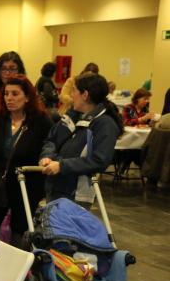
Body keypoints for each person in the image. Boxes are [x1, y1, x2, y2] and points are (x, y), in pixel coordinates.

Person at [0, 75, 53, 242]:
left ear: (27, 97)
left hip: (26, 184)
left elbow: (49, 147)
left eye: (15, 94)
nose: (9, 98)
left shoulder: (41, 122)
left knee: (19, 232)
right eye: (6, 94)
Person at [40, 72, 124, 204]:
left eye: (74, 90)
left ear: (85, 95)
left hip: (76, 194)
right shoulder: (71, 116)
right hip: (55, 186)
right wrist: (47, 156)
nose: (71, 95)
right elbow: (51, 140)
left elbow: (99, 160)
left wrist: (62, 166)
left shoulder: (105, 124)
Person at [0, 51, 26, 119]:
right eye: (3, 69)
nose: (7, 73)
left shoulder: (27, 91)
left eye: (12, 69)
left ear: (19, 70)